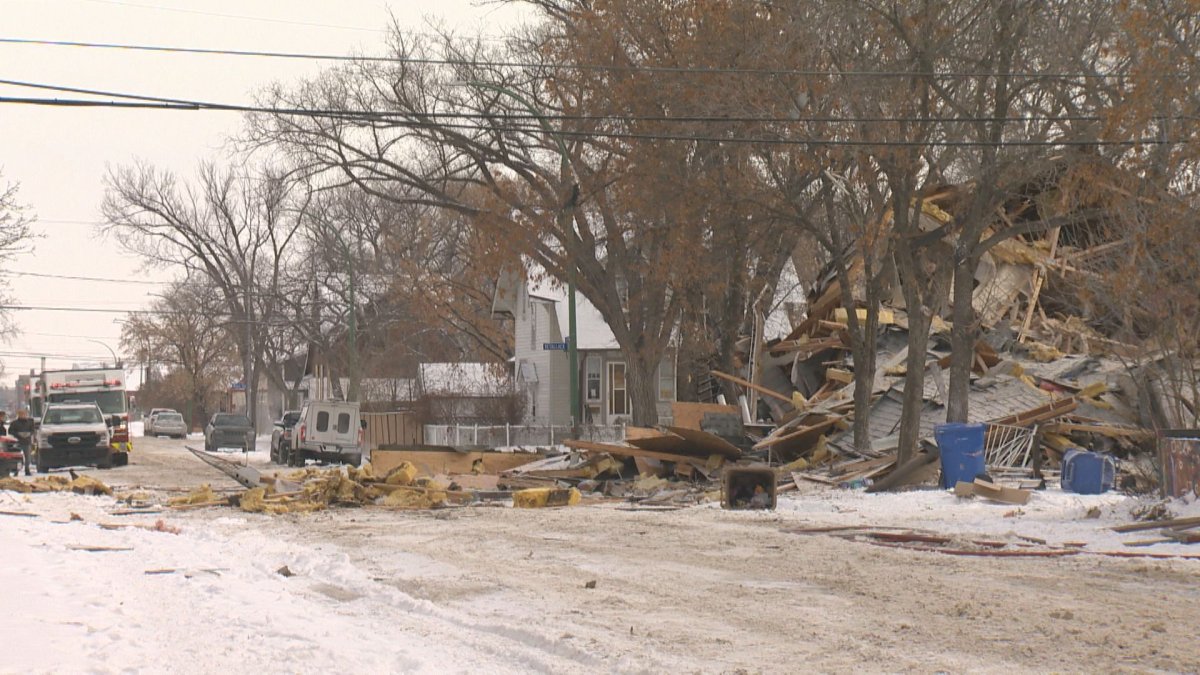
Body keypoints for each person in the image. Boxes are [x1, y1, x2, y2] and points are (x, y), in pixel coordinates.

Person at [8, 409, 35, 476]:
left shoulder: (30, 422)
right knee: (17, 458)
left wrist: (29, 434)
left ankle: (27, 470)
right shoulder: (14, 423)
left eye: (24, 414)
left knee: (28, 457)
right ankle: (16, 470)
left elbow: (33, 430)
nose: (23, 415)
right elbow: (10, 431)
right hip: (17, 442)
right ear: (18, 415)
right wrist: (18, 434)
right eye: (21, 414)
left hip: (27, 442)